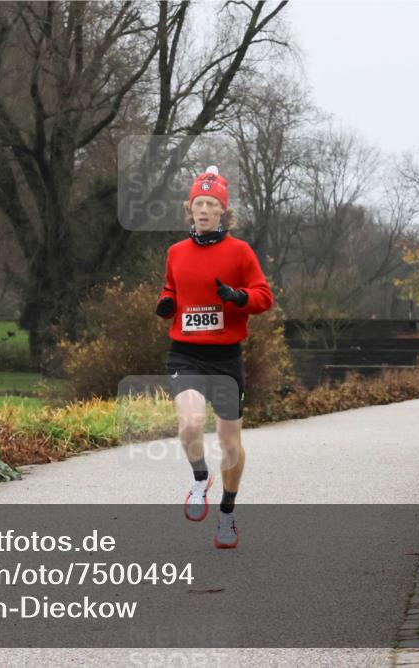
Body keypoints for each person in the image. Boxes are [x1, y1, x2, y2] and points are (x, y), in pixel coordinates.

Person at [154, 166, 273, 549]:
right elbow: (170, 288)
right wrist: (166, 302)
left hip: (225, 358)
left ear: (223, 211)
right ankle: (200, 476)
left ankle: (227, 514)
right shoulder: (176, 252)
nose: (204, 210)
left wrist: (240, 298)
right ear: (190, 209)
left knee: (230, 443)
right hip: (185, 353)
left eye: (211, 204)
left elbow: (264, 297)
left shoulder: (240, 252)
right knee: (190, 424)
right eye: (198, 204)